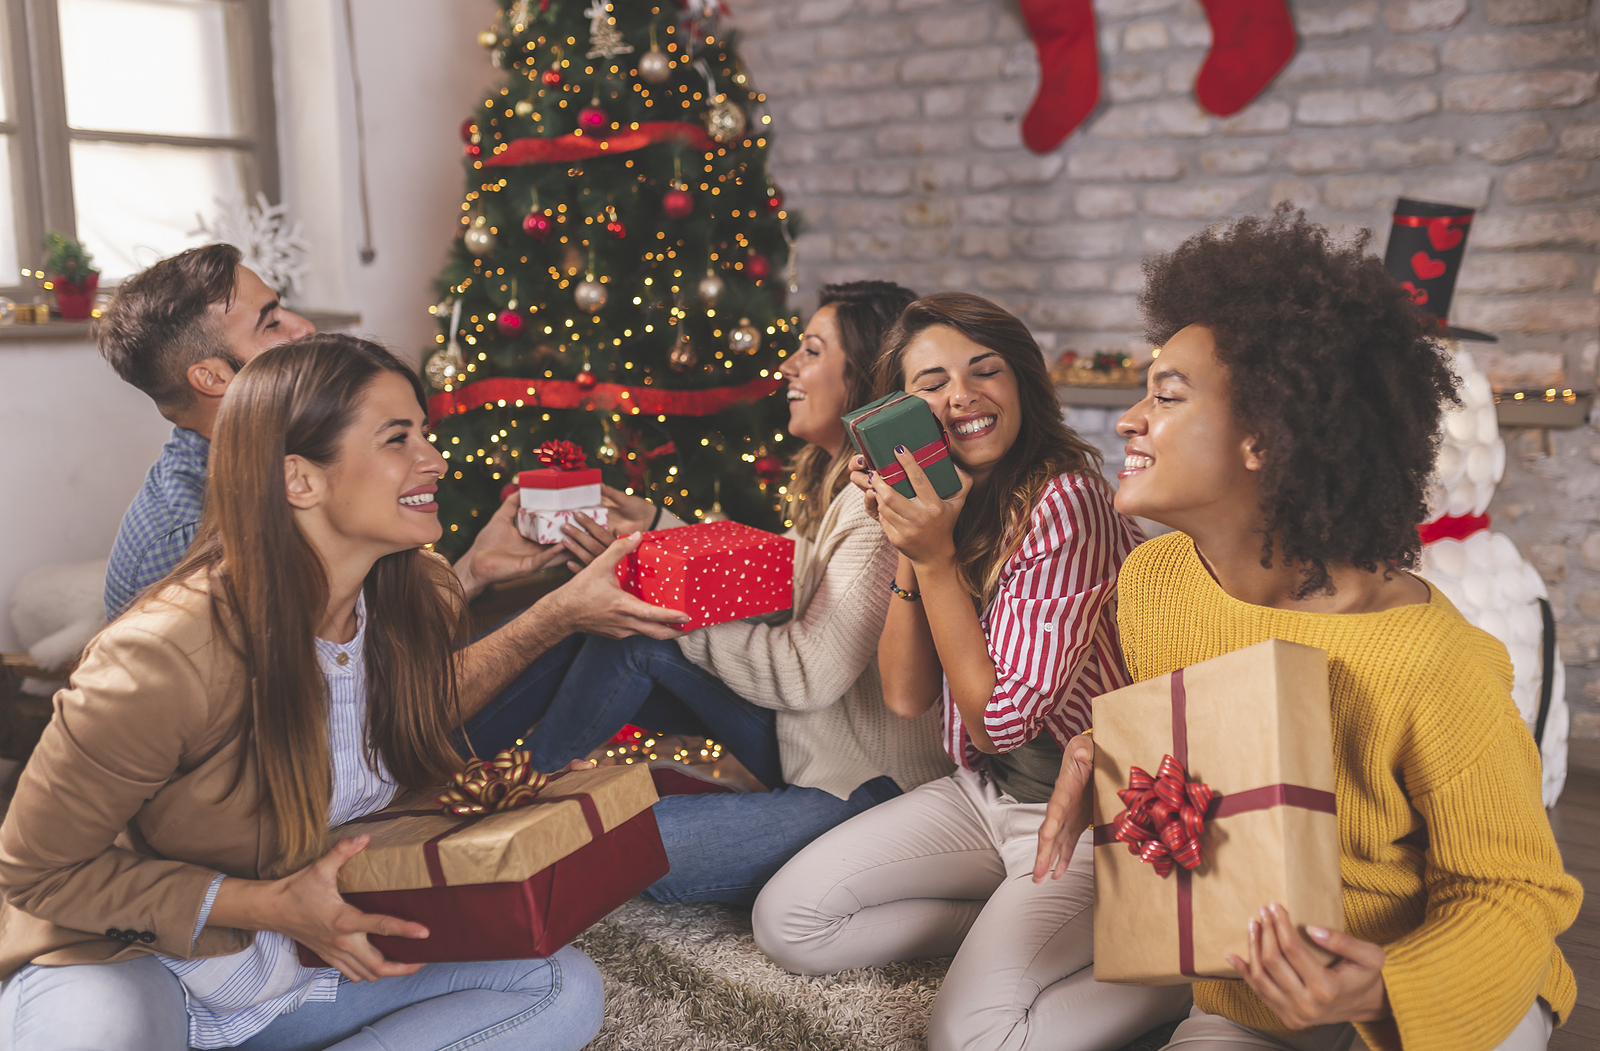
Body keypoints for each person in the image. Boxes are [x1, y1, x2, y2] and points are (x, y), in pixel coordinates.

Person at [1032, 209, 1581, 1051]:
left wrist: (1389, 984)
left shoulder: (1434, 660)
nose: (1128, 419)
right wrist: (1100, 753)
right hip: (1250, 975)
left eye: (1167, 395)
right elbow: (1197, 765)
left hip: (1430, 986)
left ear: (1263, 437)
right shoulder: (1152, 584)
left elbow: (1513, 889)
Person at [0, 337, 618, 1051]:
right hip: (137, 959)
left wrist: (523, 803)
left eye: (425, 432)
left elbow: (393, 748)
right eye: (398, 438)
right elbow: (35, 873)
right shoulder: (161, 655)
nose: (435, 459)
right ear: (299, 479)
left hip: (287, 969)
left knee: (559, 987)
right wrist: (263, 904)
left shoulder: (408, 598)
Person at [752, 293, 1192, 1051]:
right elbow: (906, 694)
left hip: (1090, 819)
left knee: (972, 1038)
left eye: (984, 371)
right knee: (789, 921)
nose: (960, 396)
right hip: (988, 794)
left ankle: (1174, 974)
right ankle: (1009, 923)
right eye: (930, 384)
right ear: (902, 408)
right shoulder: (941, 505)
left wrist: (933, 556)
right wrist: (909, 547)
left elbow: (1002, 717)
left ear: (1022, 383)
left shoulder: (1070, 502)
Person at [466, 281, 953, 905]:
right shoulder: (836, 484)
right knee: (625, 635)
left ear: (860, 377)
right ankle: (496, 778)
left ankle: (492, 780)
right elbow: (793, 576)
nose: (787, 367)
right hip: (812, 738)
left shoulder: (880, 503)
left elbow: (806, 674)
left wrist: (657, 590)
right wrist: (657, 531)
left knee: (620, 845)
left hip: (864, 783)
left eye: (809, 350)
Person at [96, 244, 561, 620]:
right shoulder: (187, 540)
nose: (306, 329)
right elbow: (329, 710)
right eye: (272, 323)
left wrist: (474, 572)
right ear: (213, 378)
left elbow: (359, 658)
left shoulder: (280, 454)